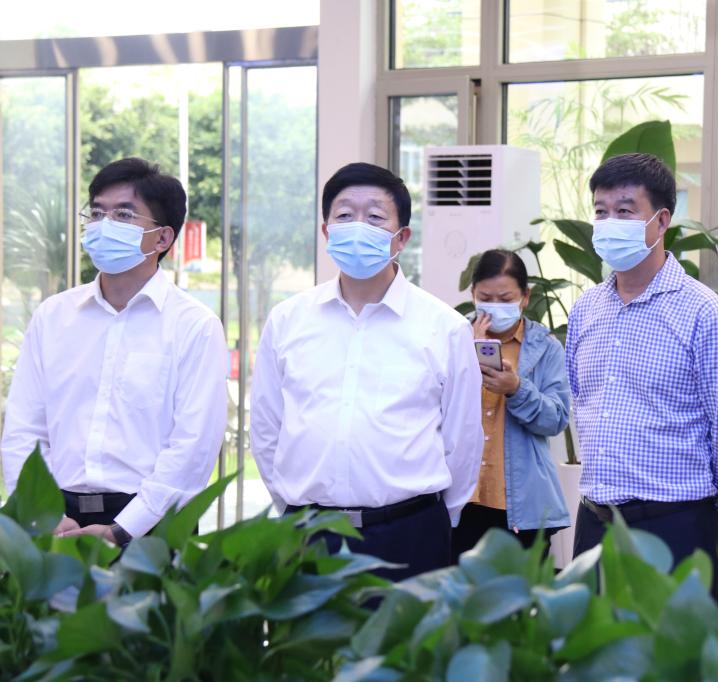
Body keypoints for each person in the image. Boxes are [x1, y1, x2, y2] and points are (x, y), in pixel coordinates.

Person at [250, 162, 483, 581]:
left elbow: (462, 441)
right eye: (344, 215)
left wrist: (438, 518)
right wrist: (291, 506)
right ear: (326, 231)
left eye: (375, 217)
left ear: (402, 237)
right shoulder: (287, 320)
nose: (358, 226)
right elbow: (267, 428)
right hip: (308, 533)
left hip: (409, 534)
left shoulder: (444, 327)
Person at [566, 153, 718, 612]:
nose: (609, 224)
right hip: (595, 525)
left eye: (625, 211)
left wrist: (698, 507)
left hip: (674, 529)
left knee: (678, 653)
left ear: (661, 220)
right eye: (601, 212)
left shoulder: (705, 313)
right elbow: (583, 401)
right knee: (589, 650)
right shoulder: (586, 309)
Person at [1, 157, 228, 545]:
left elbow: (192, 447)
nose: (103, 225)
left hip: (151, 526)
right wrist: (42, 513)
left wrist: (123, 530)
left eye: (123, 214)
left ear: (162, 238)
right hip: (55, 520)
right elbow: (24, 428)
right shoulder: (53, 317)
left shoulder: (194, 325)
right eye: (96, 213)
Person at [451, 249, 570, 561]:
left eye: (505, 299)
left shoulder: (546, 347)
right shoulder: (452, 338)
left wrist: (516, 389)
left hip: (522, 506)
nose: (495, 306)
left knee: (523, 589)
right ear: (472, 294)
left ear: (525, 297)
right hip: (461, 501)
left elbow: (556, 419)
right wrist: (466, 354)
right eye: (485, 298)